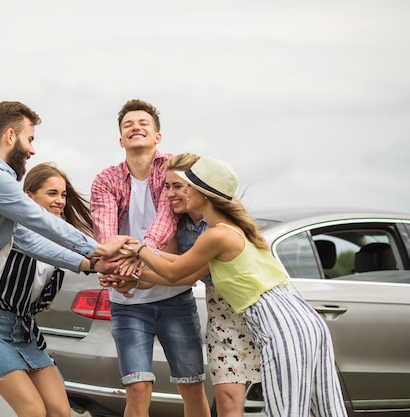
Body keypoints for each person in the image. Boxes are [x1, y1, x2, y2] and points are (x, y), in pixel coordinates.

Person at [0, 101, 129, 417]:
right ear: (9, 135)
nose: (32, 150)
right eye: (30, 139)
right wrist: (98, 248)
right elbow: (39, 220)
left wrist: (92, 262)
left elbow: (31, 241)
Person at [126, 156, 348, 417]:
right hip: (302, 320)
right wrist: (137, 277)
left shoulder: (216, 234)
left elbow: (175, 273)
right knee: (326, 411)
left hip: (280, 323)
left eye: (187, 187)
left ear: (204, 194)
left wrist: (137, 248)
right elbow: (185, 270)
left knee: (287, 412)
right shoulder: (228, 230)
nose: (179, 193)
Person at [103, 153, 261, 417]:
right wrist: (132, 274)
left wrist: (138, 252)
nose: (170, 194)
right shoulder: (181, 224)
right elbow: (167, 267)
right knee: (226, 398)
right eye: (167, 186)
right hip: (222, 314)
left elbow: (181, 274)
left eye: (178, 186)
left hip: (251, 310)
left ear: (198, 188)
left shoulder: (218, 230)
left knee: (281, 399)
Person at [90, 99, 210, 417]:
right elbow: (105, 236)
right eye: (128, 124)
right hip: (128, 302)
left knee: (192, 387)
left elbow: (166, 222)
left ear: (157, 136)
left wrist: (136, 262)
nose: (135, 127)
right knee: (138, 389)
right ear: (120, 140)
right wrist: (118, 269)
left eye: (144, 123)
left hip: (175, 297)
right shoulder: (105, 180)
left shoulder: (171, 169)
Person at [0, 162, 113, 417]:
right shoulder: (12, 230)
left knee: (60, 411)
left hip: (26, 329)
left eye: (63, 194)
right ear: (28, 197)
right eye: (52, 193)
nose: (60, 201)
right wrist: (94, 264)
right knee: (33, 411)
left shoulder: (62, 237)